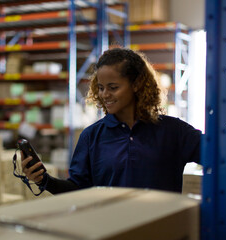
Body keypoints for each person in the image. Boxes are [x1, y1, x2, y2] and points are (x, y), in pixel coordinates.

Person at [22, 47, 201, 195]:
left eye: (113, 87)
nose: (105, 95)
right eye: (100, 88)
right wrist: (44, 180)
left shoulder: (173, 131)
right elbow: (77, 189)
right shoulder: (92, 136)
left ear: (137, 84)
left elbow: (219, 155)